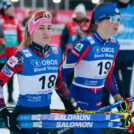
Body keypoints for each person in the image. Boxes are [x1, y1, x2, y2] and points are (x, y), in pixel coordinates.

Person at [0, 10, 76, 134]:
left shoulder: (57, 54)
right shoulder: (21, 57)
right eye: (41, 28)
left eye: (49, 27)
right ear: (31, 32)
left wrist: (68, 103)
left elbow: (58, 81)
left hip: (45, 116)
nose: (46, 32)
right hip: (23, 118)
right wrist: (4, 112)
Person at [61, 3, 124, 134]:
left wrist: (117, 96)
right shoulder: (85, 43)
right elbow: (60, 74)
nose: (117, 22)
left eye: (119, 18)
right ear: (99, 21)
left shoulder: (114, 45)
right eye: (112, 19)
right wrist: (70, 100)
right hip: (79, 102)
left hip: (96, 102)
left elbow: (108, 76)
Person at [102, 0, 134, 107]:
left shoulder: (132, 8)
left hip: (129, 51)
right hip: (112, 50)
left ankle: (125, 111)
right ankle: (105, 107)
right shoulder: (111, 8)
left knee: (126, 86)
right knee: (108, 82)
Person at [60, 3, 90, 88]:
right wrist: (62, 50)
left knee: (84, 74)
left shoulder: (89, 25)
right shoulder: (69, 24)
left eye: (80, 13)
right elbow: (63, 39)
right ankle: (69, 93)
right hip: (71, 54)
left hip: (86, 55)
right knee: (70, 74)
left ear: (84, 14)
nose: (78, 15)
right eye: (77, 13)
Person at [0, 1, 23, 103]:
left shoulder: (16, 21)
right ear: (5, 9)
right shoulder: (0, 20)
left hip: (12, 54)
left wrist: (21, 47)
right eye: (10, 8)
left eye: (13, 8)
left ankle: (10, 96)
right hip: (1, 54)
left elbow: (19, 36)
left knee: (10, 77)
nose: (13, 10)